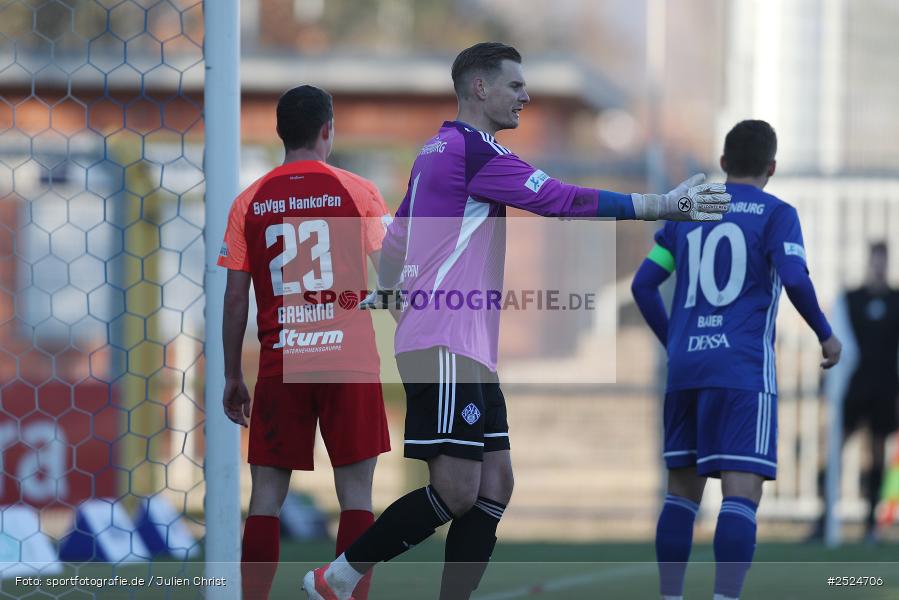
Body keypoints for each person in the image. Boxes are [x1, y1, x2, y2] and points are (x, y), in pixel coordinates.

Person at [303, 42, 731, 600]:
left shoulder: (435, 150)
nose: (525, 96)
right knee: (456, 490)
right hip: (445, 343)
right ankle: (336, 578)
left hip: (461, 343)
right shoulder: (472, 152)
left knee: (495, 485)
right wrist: (659, 206)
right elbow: (557, 199)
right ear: (480, 88)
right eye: (515, 85)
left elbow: (398, 237)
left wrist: (390, 288)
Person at [631, 119, 842, 600]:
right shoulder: (776, 214)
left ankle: (670, 597)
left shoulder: (685, 216)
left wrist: (676, 342)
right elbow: (793, 275)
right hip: (741, 371)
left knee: (681, 495)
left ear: (723, 164)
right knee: (740, 494)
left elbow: (643, 285)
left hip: (685, 371)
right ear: (772, 166)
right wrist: (825, 335)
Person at [218, 85, 392, 600]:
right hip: (351, 362)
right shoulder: (359, 191)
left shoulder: (248, 201)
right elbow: (397, 283)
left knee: (267, 498)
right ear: (327, 130)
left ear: (279, 133)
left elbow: (234, 299)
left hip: (282, 363)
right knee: (356, 495)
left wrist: (233, 374)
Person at [821, 241, 899, 541]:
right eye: (875, 260)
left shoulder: (895, 300)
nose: (879, 266)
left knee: (878, 454)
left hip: (885, 389)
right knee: (836, 449)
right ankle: (824, 519)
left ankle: (870, 524)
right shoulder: (851, 299)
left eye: (884, 260)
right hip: (855, 389)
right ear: (869, 262)